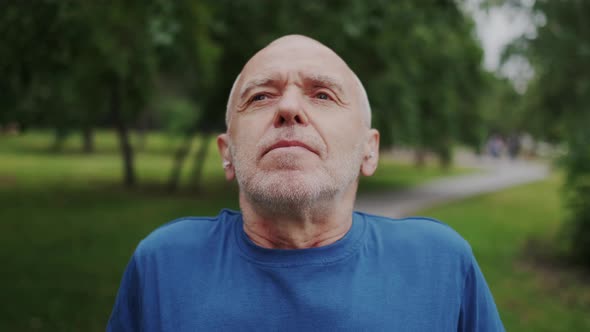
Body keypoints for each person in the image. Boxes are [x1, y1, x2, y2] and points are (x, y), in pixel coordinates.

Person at [108, 35, 504, 331]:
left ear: (370, 150)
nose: (289, 108)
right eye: (262, 96)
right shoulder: (162, 264)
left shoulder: (441, 265)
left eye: (323, 95)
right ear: (226, 152)